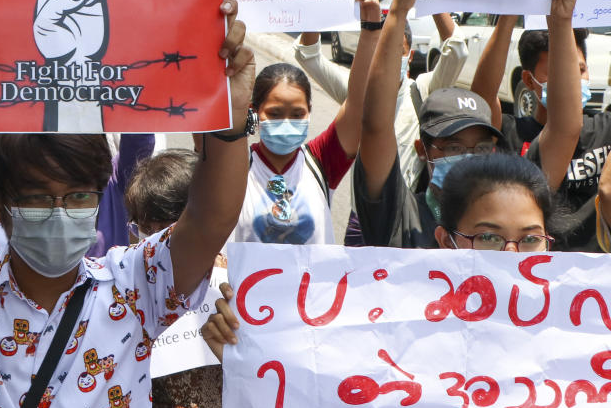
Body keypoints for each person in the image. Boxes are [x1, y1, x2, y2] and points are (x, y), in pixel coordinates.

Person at [0, 0, 254, 408]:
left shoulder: (134, 286)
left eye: (77, 197)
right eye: (36, 198)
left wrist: (231, 118)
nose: (60, 212)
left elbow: (209, 221)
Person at [201, 152, 559, 360]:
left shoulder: (579, 338)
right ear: (446, 242)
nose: (513, 256)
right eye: (489, 237)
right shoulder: (394, 326)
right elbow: (320, 400)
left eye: (530, 240)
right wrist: (249, 353)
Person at [353, 0, 581, 248]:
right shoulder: (401, 215)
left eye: (481, 147)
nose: (467, 158)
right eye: (454, 147)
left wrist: (561, 22)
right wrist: (398, 10)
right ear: (423, 150)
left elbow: (564, 130)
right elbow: (375, 127)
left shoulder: (518, 204)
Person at [229, 0, 379, 246]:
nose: (286, 122)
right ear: (255, 112)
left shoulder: (322, 162)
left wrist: (370, 31)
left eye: (297, 114)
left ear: (310, 111)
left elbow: (357, 102)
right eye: (274, 114)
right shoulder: (235, 168)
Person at [472, 11, 606, 250]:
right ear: (529, 79)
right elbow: (482, 98)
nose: (572, 81)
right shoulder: (510, 133)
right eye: (559, 72)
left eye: (580, 70)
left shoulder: (606, 129)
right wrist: (507, 17)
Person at [294, 12, 467, 189]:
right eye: (381, 50)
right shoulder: (357, 92)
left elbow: (457, 52)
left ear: (411, 55)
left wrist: (435, 2)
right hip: (362, 215)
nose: (389, 58)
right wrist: (316, 3)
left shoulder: (422, 90)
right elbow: (308, 55)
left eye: (398, 50)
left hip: (405, 212)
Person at [124, 148, 223, 408]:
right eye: (144, 228)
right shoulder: (119, 293)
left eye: (168, 230)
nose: (154, 242)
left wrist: (233, 354)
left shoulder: (237, 289)